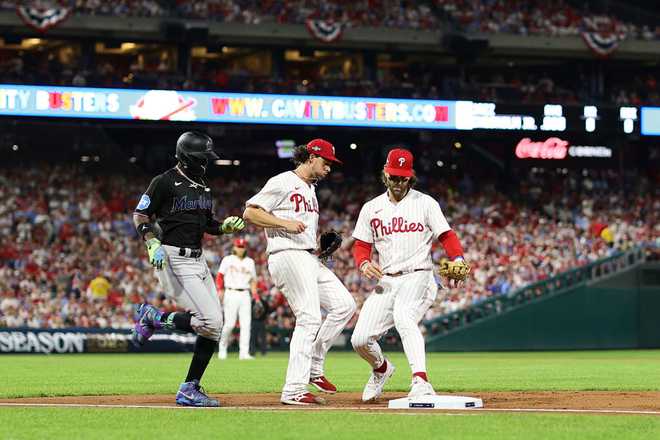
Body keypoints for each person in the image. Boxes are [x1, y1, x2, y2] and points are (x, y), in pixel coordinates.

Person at [131, 131, 245, 407]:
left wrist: (223, 227)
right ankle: (155, 321)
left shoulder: (203, 184)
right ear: (186, 157)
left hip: (198, 259)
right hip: (171, 257)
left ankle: (189, 386)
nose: (205, 162)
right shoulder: (164, 181)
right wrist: (151, 241)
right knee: (211, 323)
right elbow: (140, 214)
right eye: (201, 157)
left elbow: (207, 224)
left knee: (213, 328)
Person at [243, 138, 357, 405]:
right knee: (309, 318)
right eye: (326, 162)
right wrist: (283, 223)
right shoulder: (283, 181)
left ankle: (314, 367)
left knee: (344, 305)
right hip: (286, 254)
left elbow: (300, 229)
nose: (329, 168)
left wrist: (319, 249)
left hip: (306, 256)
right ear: (310, 157)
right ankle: (293, 389)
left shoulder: (310, 189)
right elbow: (250, 213)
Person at [350, 148, 470, 402]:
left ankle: (421, 381)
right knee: (360, 339)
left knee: (405, 318)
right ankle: (381, 369)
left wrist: (458, 257)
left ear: (410, 177)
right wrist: (362, 263)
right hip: (387, 280)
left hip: (419, 274)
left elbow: (446, 236)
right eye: (394, 177)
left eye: (403, 178)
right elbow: (361, 245)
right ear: (385, 174)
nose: (398, 182)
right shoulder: (371, 208)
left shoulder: (425, 203)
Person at [216, 237, 257, 360]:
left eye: (242, 247)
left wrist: (256, 296)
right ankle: (222, 348)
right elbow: (219, 276)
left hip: (245, 293)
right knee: (230, 324)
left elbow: (253, 280)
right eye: (239, 246)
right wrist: (220, 290)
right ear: (234, 247)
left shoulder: (250, 262)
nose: (240, 249)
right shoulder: (228, 260)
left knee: (246, 324)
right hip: (231, 292)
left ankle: (244, 353)